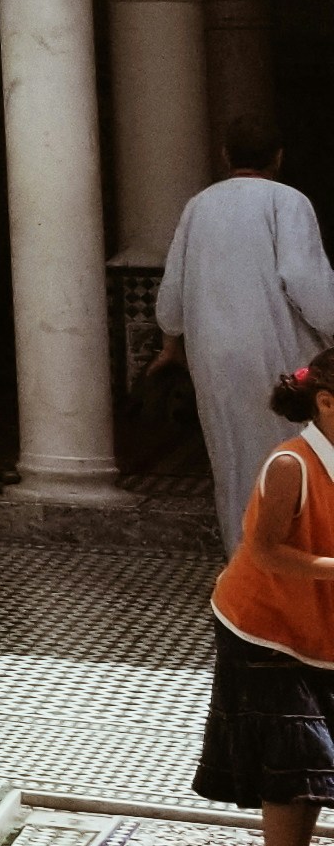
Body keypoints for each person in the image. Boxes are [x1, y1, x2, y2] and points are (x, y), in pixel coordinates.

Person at [157, 122, 334, 559]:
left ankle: (244, 566)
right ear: (278, 157)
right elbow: (305, 280)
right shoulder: (288, 201)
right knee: (296, 455)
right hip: (281, 352)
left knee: (231, 459)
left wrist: (170, 344)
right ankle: (292, 566)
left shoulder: (198, 206)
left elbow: (171, 298)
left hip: (213, 357)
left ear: (224, 156)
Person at [196, 361, 334, 846]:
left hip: (318, 630)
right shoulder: (290, 465)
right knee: (292, 754)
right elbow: (265, 551)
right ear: (325, 403)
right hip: (262, 627)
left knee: (318, 761)